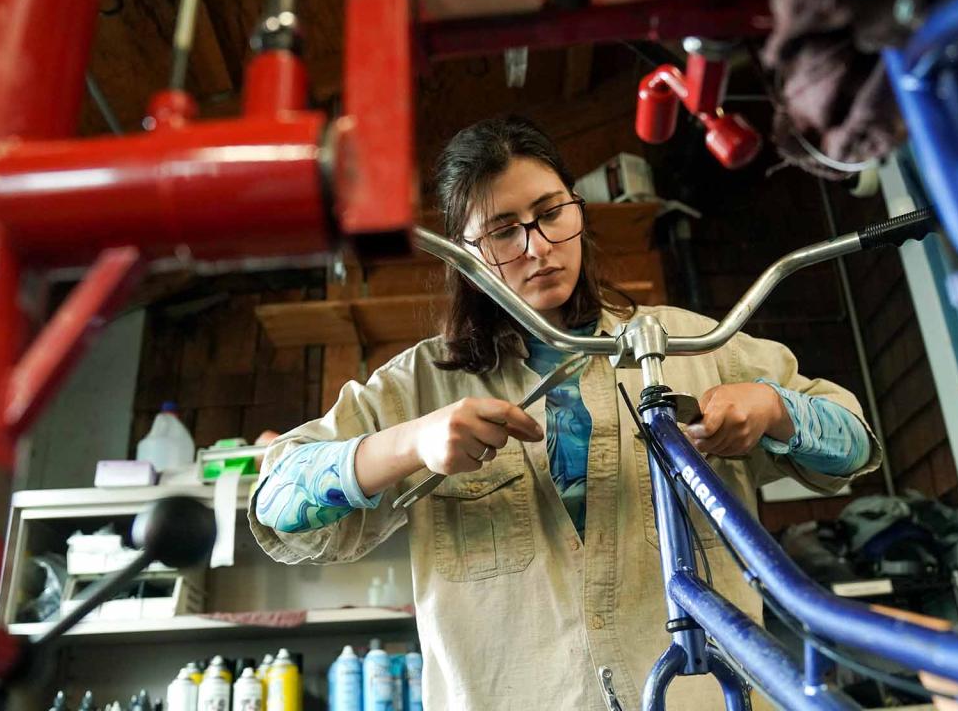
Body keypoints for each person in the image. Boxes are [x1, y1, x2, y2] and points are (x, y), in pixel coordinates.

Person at [249, 116, 880, 710]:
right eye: (503, 231)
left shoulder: (692, 345)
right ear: (463, 255)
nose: (538, 247)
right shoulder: (417, 384)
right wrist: (412, 443)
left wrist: (775, 409)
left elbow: (856, 445)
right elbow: (276, 504)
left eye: (551, 214)